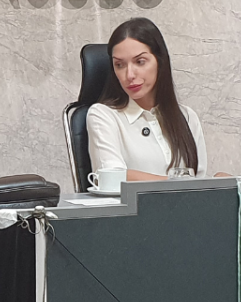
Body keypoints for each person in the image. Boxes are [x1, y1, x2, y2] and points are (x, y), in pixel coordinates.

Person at [86, 17, 208, 181]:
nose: (129, 75)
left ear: (160, 61)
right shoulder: (103, 115)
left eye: (140, 62)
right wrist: (177, 183)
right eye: (119, 65)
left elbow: (200, 183)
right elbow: (110, 177)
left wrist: (222, 182)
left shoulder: (187, 116)